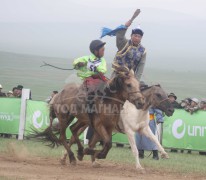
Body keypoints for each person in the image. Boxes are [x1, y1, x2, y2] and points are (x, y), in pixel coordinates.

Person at [73, 40, 107, 141]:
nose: (103, 51)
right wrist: (79, 64)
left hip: (99, 79)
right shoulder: (86, 58)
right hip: (88, 79)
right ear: (96, 51)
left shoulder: (103, 60)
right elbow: (75, 62)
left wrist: (95, 69)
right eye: (102, 50)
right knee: (92, 91)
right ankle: (90, 112)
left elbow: (103, 70)